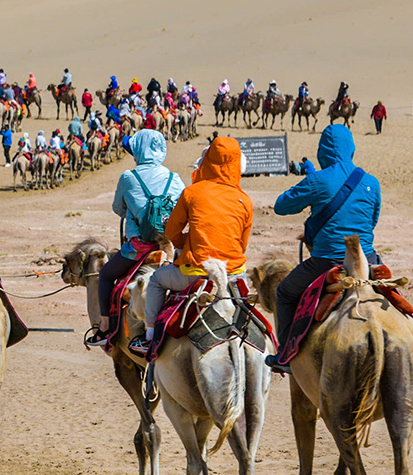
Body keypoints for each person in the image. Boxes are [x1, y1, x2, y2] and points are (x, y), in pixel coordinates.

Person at [266, 125, 380, 372]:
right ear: (351, 148)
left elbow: (281, 206)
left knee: (285, 293)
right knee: (390, 294)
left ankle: (284, 356)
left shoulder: (317, 180)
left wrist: (311, 180)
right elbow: (372, 221)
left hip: (326, 261)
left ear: (322, 150)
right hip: (367, 260)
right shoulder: (372, 182)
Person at [130, 137, 252, 356]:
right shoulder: (244, 199)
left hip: (197, 272)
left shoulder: (192, 193)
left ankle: (149, 337)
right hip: (232, 274)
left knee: (156, 281)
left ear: (208, 160)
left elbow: (171, 232)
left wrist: (184, 244)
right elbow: (241, 245)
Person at [84, 130, 184, 345]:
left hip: (138, 248)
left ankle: (103, 328)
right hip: (169, 248)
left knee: (106, 276)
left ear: (139, 151)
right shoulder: (174, 178)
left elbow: (118, 208)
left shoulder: (129, 177)